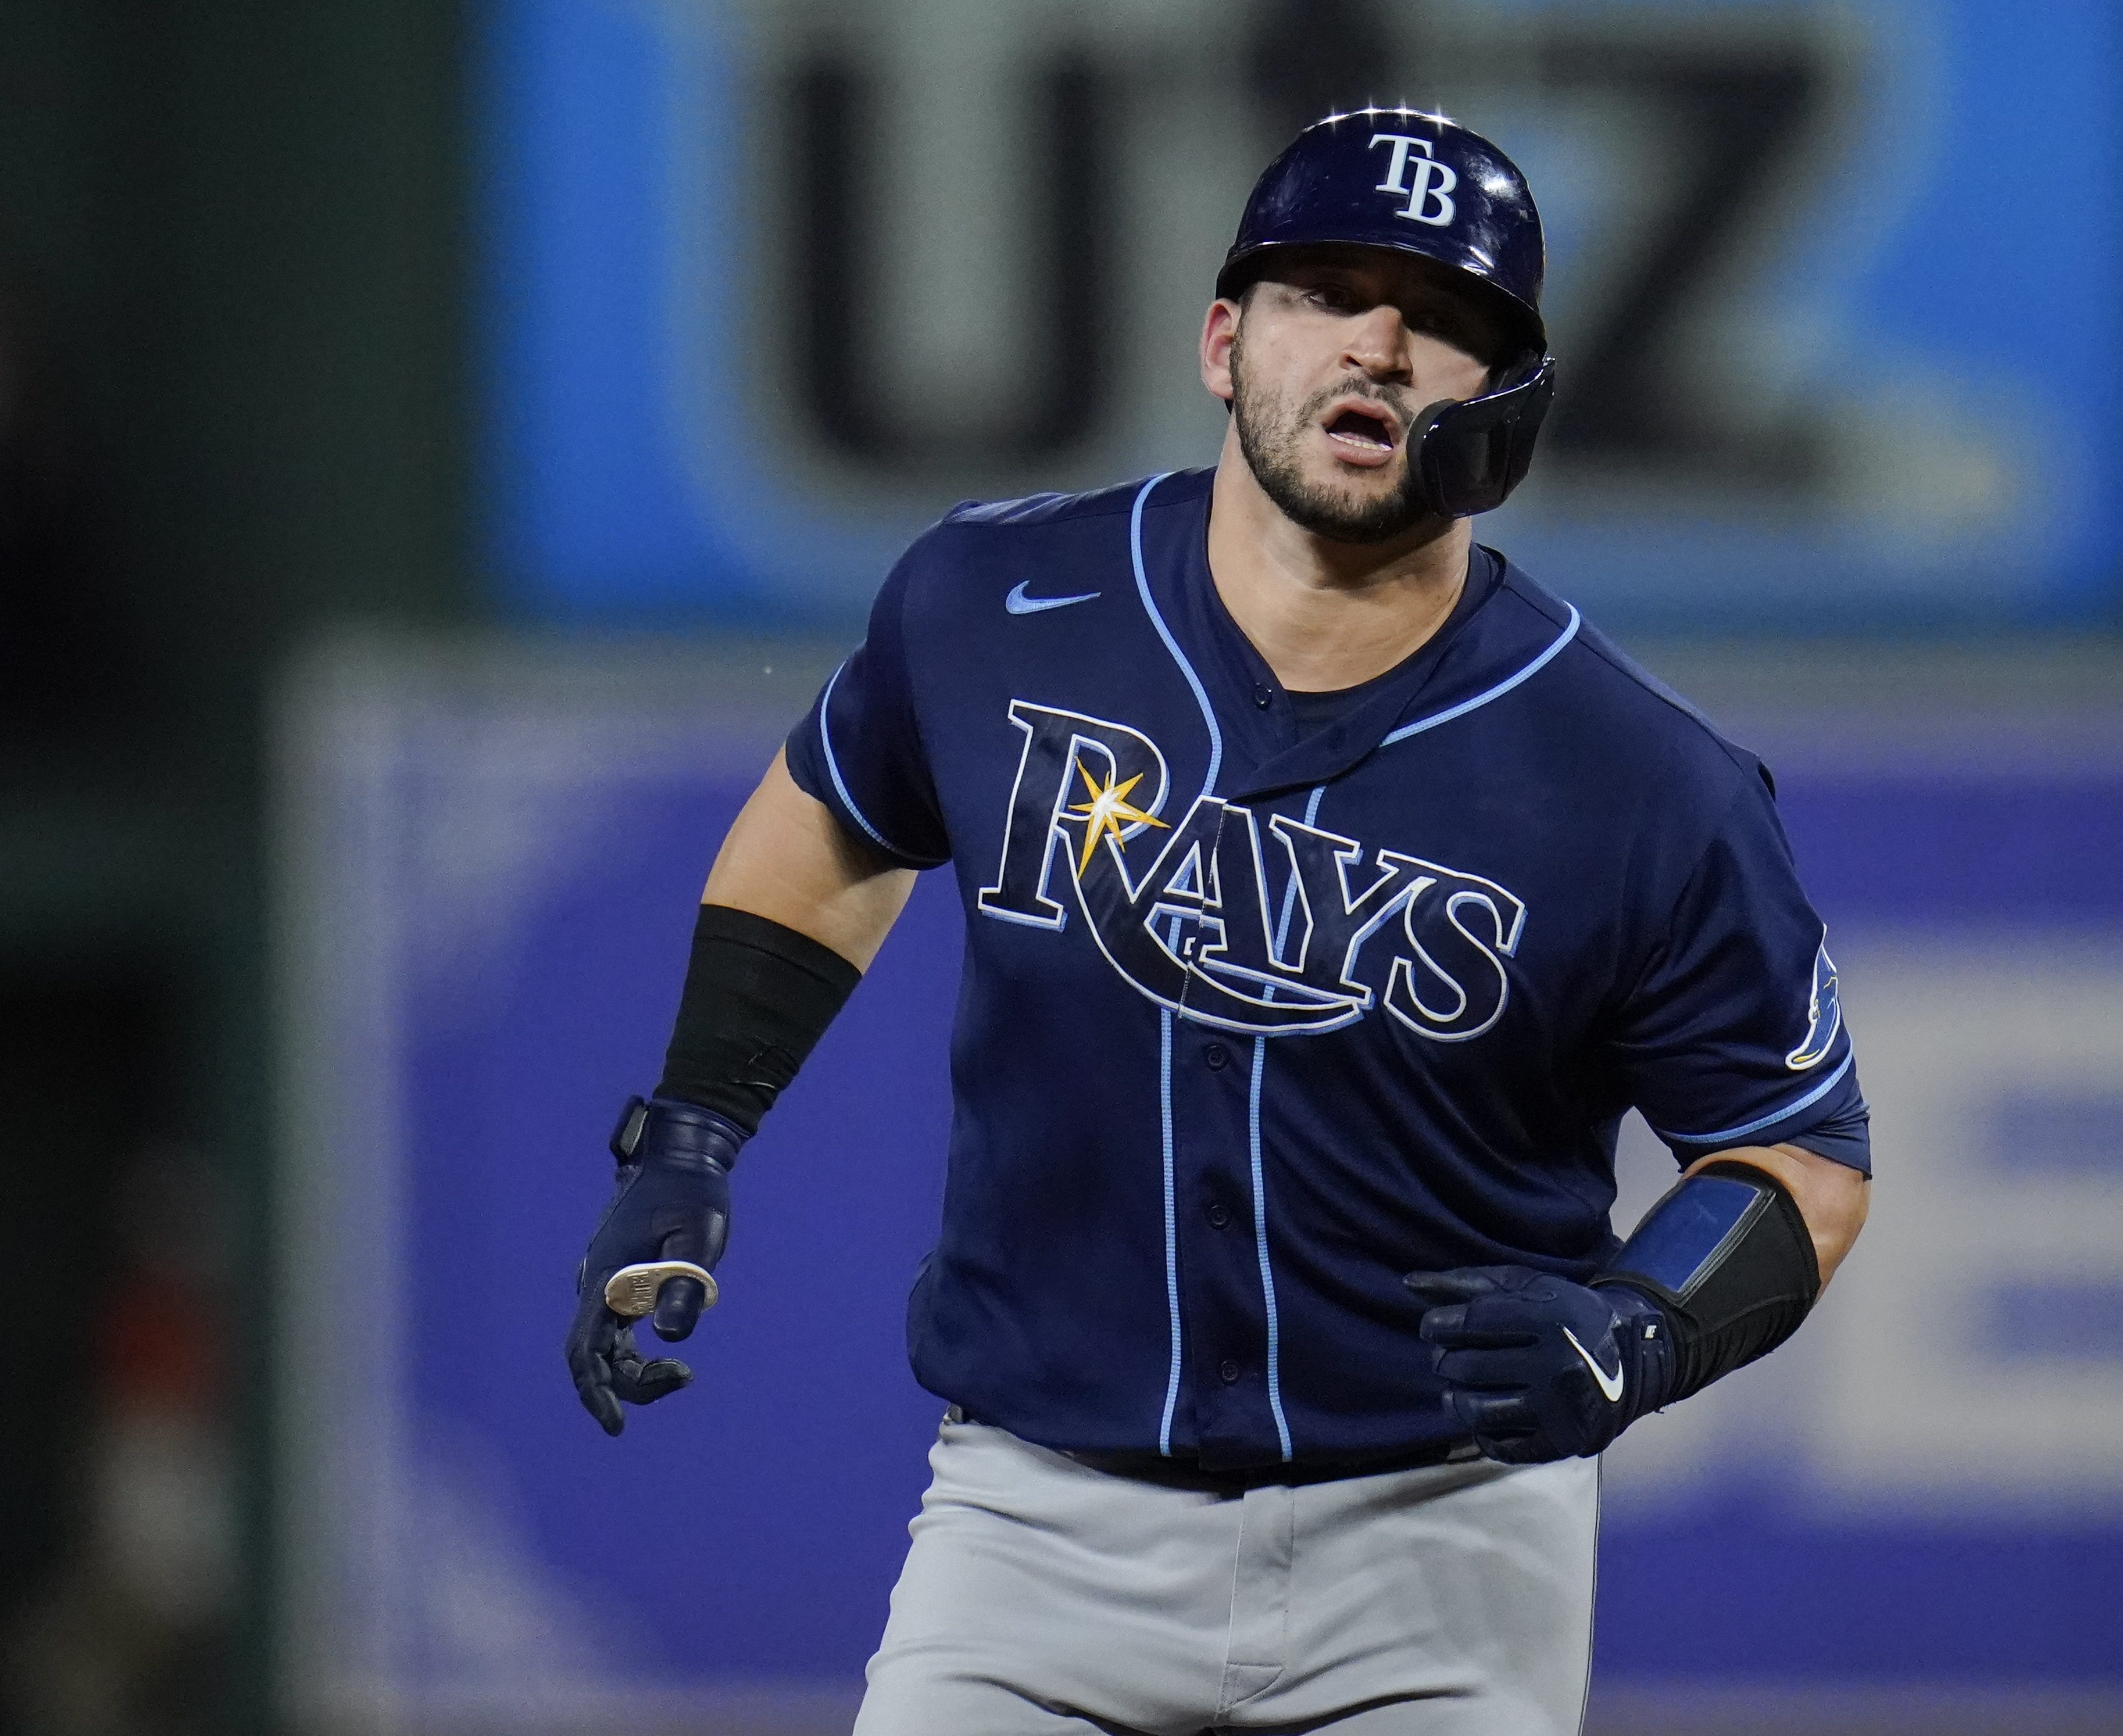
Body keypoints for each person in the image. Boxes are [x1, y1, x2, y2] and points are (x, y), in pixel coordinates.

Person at [564, 108, 1872, 1735]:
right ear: (1222, 339)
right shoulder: (995, 604)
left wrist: (1639, 1326)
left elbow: (1800, 1155)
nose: (1382, 342)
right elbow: (837, 816)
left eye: (1446, 314)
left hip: (1439, 1548)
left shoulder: (1640, 780)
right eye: (1327, 288)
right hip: (1036, 1524)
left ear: (1509, 404)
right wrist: (689, 1135)